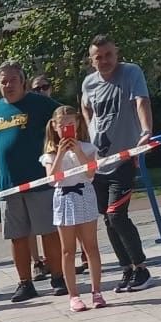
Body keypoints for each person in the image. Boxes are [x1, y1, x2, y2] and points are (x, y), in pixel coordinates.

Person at [81, 35, 156, 291]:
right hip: (100, 160)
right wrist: (91, 135)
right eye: (98, 57)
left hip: (124, 158)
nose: (104, 61)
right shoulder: (89, 83)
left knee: (117, 214)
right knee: (107, 217)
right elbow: (86, 108)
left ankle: (141, 267)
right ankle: (126, 269)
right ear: (92, 61)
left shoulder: (130, 73)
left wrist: (145, 130)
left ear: (116, 53)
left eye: (108, 55)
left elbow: (141, 101)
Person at [0, 62, 64, 298]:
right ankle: (25, 283)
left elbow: (64, 118)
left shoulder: (39, 103)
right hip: (8, 184)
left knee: (48, 231)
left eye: (12, 80)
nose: (8, 85)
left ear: (23, 82)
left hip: (38, 180)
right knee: (17, 236)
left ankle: (58, 277)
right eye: (3, 81)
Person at [42, 107, 104, 311]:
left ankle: (97, 291)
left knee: (90, 245)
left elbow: (90, 174)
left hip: (84, 194)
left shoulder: (87, 148)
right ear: (55, 126)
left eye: (70, 124)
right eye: (62, 125)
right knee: (67, 250)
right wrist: (60, 153)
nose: (66, 128)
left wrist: (77, 151)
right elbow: (52, 180)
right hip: (64, 197)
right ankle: (74, 295)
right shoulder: (50, 153)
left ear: (77, 124)